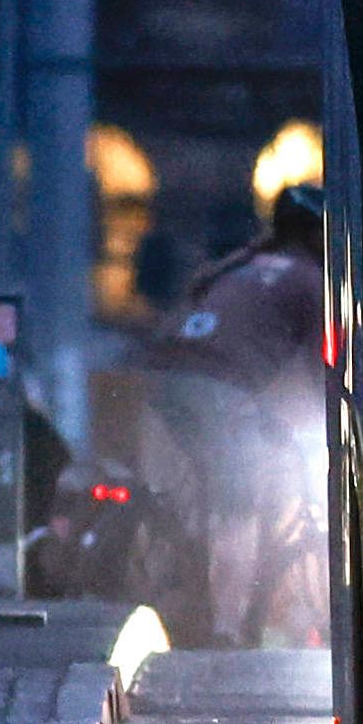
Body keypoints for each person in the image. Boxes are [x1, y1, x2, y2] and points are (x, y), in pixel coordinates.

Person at [132, 181, 328, 646]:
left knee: (213, 482)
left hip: (167, 376)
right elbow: (324, 363)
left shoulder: (240, 264)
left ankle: (189, 553)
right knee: (238, 510)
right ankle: (226, 630)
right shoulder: (310, 278)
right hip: (220, 388)